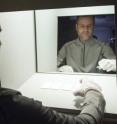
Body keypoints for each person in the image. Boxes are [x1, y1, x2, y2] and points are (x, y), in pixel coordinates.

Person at [0, 78, 105, 124]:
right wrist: (93, 91)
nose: (85, 30)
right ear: (77, 30)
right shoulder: (13, 105)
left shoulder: (102, 46)